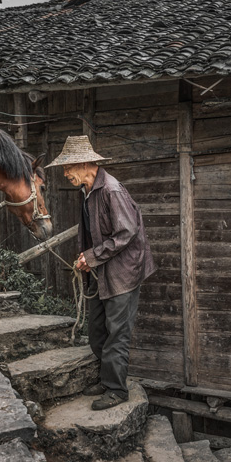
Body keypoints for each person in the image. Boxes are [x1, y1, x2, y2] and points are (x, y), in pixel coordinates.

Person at [47, 135, 156, 411]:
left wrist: (93, 256)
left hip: (123, 273)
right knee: (97, 330)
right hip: (101, 270)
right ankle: (106, 379)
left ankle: (116, 389)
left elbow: (127, 232)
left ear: (85, 164)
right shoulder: (86, 190)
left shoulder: (111, 190)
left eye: (68, 167)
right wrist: (88, 258)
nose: (65, 173)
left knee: (117, 333)